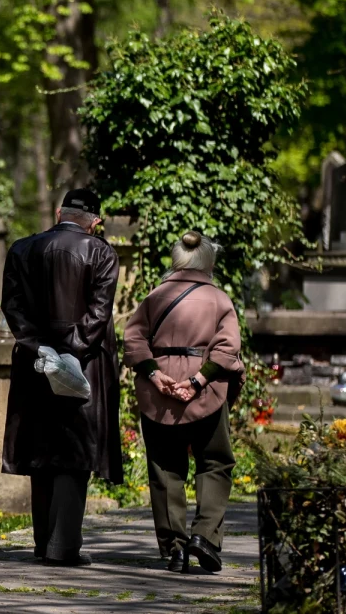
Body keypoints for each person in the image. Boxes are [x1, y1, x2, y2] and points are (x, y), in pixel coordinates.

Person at [0, 188, 123, 566]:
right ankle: (63, 547)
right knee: (75, 452)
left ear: (59, 212)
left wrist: (41, 348)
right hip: (83, 364)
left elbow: (12, 308)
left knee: (41, 451)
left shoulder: (21, 249)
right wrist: (70, 353)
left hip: (34, 363)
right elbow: (98, 314)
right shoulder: (101, 253)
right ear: (95, 222)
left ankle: (44, 543)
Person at [122, 231, 244, 574]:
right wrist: (197, 381)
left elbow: (133, 339)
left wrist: (155, 374)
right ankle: (204, 536)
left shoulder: (154, 296)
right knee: (215, 462)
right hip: (206, 392)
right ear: (208, 261)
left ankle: (175, 550)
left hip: (159, 393)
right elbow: (227, 347)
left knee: (165, 468)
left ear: (177, 259)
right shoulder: (219, 299)